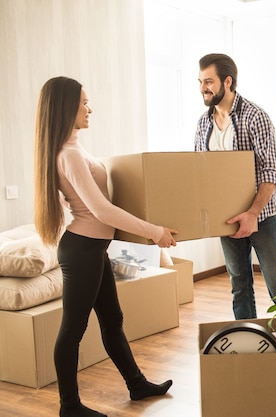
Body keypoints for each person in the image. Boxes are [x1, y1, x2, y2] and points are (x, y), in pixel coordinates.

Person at [33, 76, 178, 417]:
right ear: (66, 106)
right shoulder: (67, 154)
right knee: (73, 329)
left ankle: (137, 384)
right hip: (82, 249)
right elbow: (101, 210)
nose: (89, 108)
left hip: (94, 248)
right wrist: (154, 232)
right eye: (84, 102)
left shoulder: (76, 147)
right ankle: (69, 407)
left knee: (113, 320)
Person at [193, 53, 276, 320]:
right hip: (227, 219)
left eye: (209, 81)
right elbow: (201, 173)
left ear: (228, 81)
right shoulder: (203, 123)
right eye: (200, 82)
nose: (203, 88)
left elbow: (271, 171)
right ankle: (248, 343)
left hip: (262, 217)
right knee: (239, 286)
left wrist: (252, 214)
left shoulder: (255, 117)